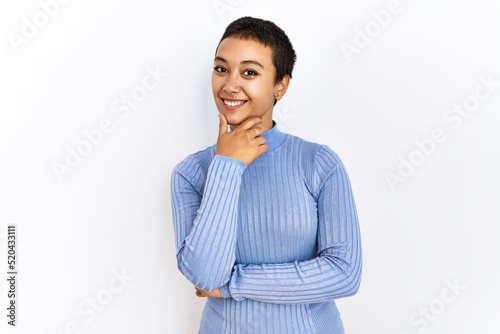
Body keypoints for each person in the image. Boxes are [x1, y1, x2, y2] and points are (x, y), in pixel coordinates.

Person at [170, 16, 362, 334]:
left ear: (280, 85)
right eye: (221, 69)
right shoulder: (191, 173)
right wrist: (227, 166)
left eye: (249, 72)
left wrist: (231, 284)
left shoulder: (318, 163)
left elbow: (343, 273)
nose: (230, 84)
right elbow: (205, 276)